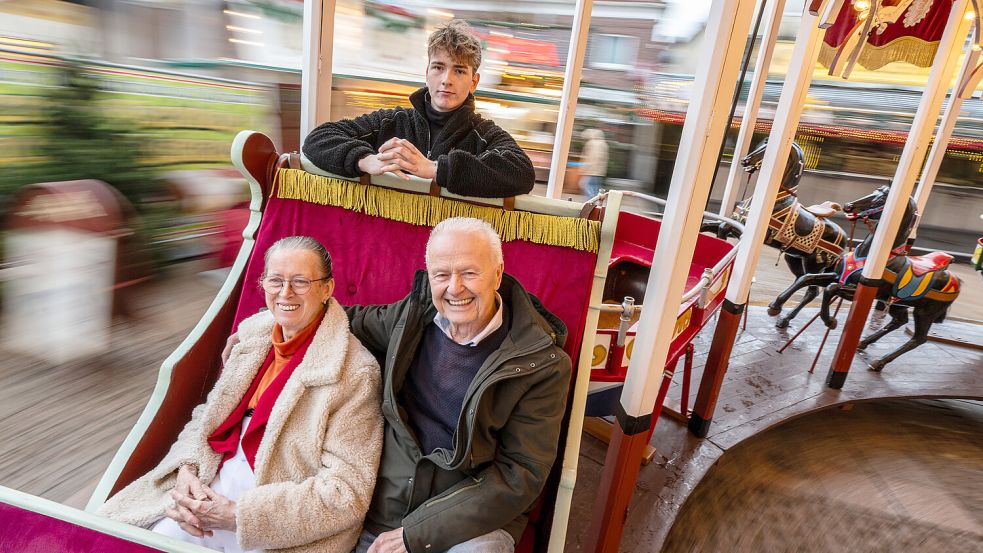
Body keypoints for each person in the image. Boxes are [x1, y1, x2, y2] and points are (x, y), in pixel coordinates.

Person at [99, 236, 383, 553]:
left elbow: (347, 493)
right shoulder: (252, 338)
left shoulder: (355, 372)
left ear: (327, 289)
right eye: (276, 280)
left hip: (276, 521)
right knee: (121, 542)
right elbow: (205, 420)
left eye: (300, 281)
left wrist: (237, 516)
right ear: (263, 284)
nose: (285, 292)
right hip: (208, 486)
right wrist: (186, 478)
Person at [346, 217, 572, 553]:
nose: (454, 288)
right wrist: (263, 324)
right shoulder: (410, 317)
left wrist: (418, 533)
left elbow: (520, 474)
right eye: (441, 275)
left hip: (472, 524)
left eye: (469, 273)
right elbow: (342, 320)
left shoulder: (540, 365)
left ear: (497, 273)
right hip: (386, 506)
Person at [301, 20, 536, 199]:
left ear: (474, 82)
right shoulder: (391, 120)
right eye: (438, 67)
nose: (446, 79)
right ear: (427, 73)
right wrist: (364, 160)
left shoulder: (484, 134)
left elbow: (522, 172)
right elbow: (318, 139)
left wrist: (435, 168)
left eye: (459, 71)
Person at [578, 128, 608, 198]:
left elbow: (593, 158)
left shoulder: (593, 143)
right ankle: (594, 203)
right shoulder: (603, 143)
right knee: (595, 189)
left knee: (584, 184)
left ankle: (591, 202)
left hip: (592, 171)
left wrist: (585, 168)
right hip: (599, 172)